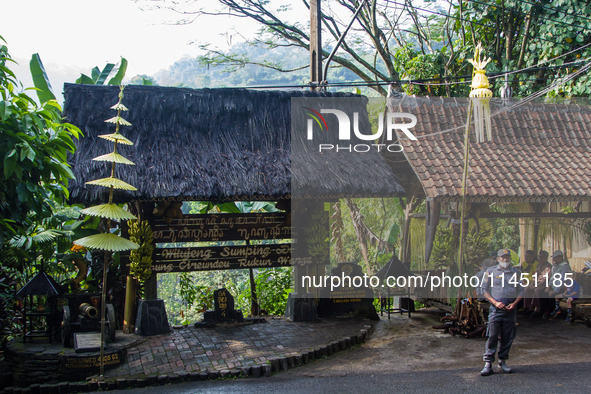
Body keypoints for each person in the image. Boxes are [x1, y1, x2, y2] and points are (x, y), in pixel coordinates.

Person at [480, 249, 524, 376]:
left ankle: (502, 362)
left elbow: (521, 291)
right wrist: (495, 302)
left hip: (510, 309)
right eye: (502, 257)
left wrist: (514, 303)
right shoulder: (490, 271)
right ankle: (488, 364)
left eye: (507, 257)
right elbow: (484, 290)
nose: (505, 259)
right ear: (498, 259)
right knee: (492, 336)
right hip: (496, 308)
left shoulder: (516, 272)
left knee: (508, 336)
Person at [546, 250, 572, 318]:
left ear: (560, 257)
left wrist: (555, 290)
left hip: (563, 287)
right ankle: (545, 310)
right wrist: (549, 286)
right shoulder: (555, 266)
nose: (554, 259)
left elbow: (562, 279)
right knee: (544, 291)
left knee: (552, 294)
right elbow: (552, 277)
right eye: (553, 258)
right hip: (554, 285)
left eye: (555, 258)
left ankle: (554, 311)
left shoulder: (565, 266)